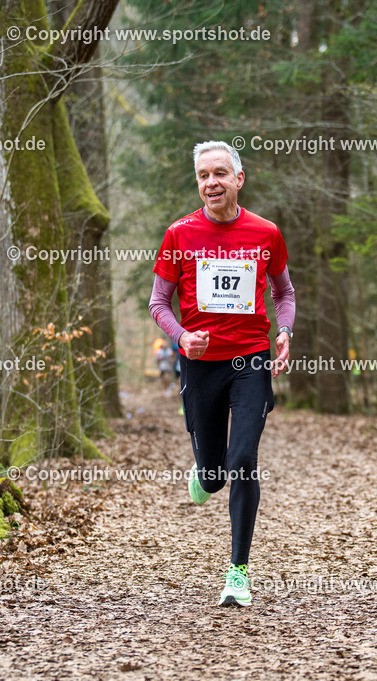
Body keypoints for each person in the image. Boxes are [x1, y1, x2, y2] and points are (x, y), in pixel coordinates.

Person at [148, 140, 295, 607]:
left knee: (243, 461)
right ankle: (205, 476)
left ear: (238, 179)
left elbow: (284, 293)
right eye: (203, 176)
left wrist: (285, 330)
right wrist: (180, 336)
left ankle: (238, 572)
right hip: (200, 365)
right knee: (214, 476)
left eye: (219, 173)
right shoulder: (179, 234)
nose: (211, 182)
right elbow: (158, 303)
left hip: (250, 360)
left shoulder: (266, 232)